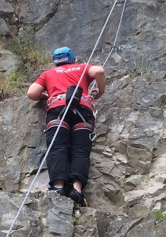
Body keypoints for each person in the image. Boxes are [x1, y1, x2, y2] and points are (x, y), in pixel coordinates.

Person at [27, 47, 106, 207]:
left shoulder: (48, 74)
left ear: (55, 62)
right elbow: (99, 70)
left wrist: (46, 95)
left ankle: (58, 187)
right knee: (80, 150)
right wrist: (100, 91)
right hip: (83, 109)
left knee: (57, 147)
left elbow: (31, 93)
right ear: (73, 59)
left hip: (58, 109)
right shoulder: (81, 67)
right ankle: (76, 189)